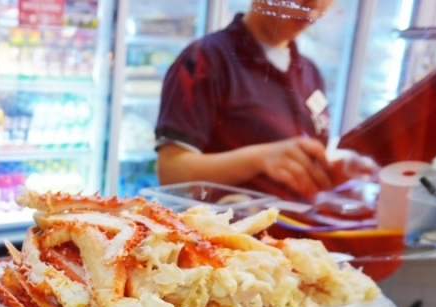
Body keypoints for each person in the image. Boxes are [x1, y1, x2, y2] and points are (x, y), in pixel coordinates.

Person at [155, 0, 373, 202]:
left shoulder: (309, 71)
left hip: (293, 235)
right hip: (228, 237)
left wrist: (339, 166)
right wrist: (258, 159)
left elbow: (299, 157)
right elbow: (171, 172)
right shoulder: (206, 59)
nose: (314, 3)